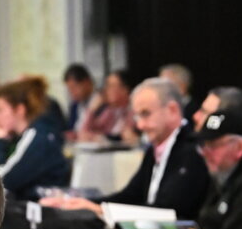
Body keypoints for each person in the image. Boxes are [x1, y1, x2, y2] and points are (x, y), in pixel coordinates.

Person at [42, 77, 211, 220]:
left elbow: (169, 211)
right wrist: (83, 203)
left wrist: (100, 209)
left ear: (172, 110)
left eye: (146, 114)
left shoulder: (192, 150)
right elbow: (130, 195)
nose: (140, 125)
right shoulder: (156, 148)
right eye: (137, 116)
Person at [0, 77, 69, 200]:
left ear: (20, 110)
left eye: (0, 110)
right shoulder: (21, 137)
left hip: (44, 208)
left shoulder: (37, 137)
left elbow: (0, 182)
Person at [76, 69, 137, 144]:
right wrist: (91, 110)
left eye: (111, 86)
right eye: (107, 85)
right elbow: (83, 133)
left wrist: (100, 138)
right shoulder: (110, 111)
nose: (106, 89)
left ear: (125, 89)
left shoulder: (134, 111)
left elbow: (127, 137)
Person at [63, 63, 95, 134]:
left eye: (74, 87)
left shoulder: (102, 103)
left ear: (87, 82)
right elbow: (70, 129)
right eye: (69, 89)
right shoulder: (74, 106)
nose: (72, 92)